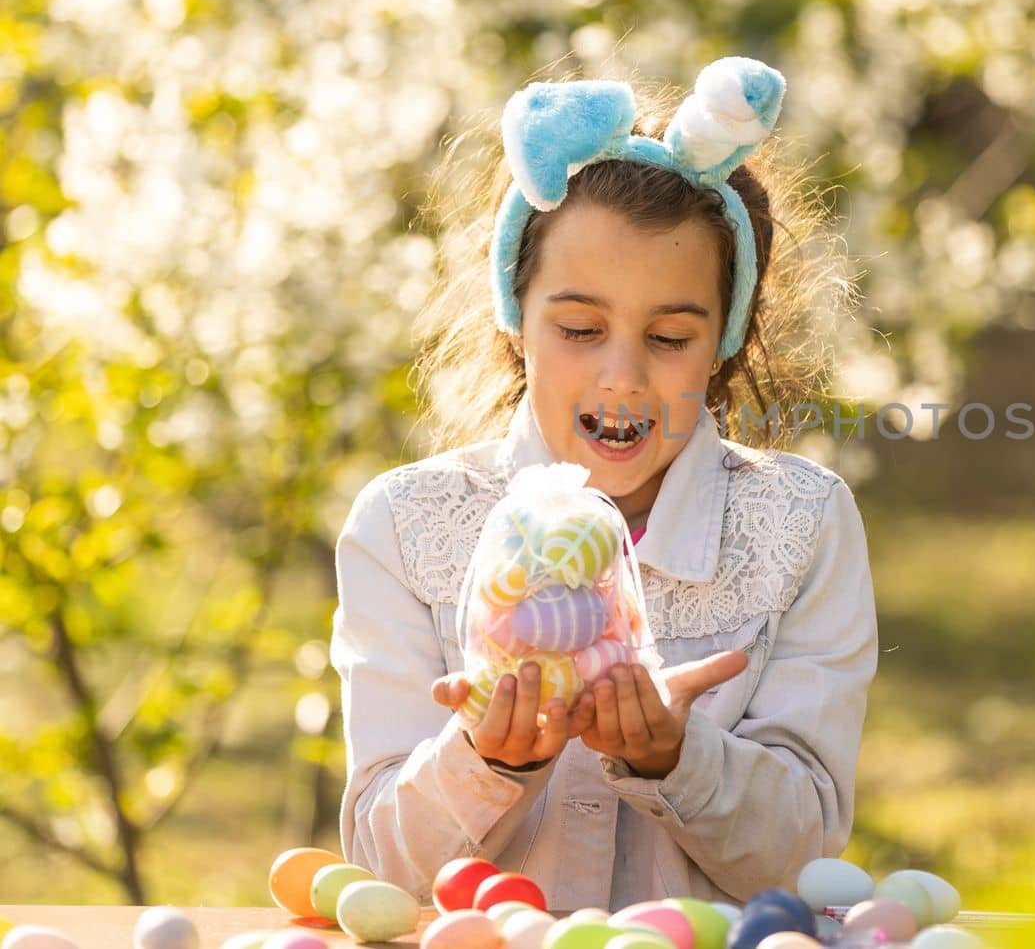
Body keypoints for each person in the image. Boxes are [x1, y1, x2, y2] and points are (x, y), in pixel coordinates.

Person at [330, 58, 878, 911]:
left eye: (669, 338)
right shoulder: (405, 528)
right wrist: (488, 760)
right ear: (517, 322)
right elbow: (383, 869)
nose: (622, 377)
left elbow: (806, 851)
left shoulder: (801, 526)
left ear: (725, 340)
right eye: (581, 328)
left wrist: (680, 757)